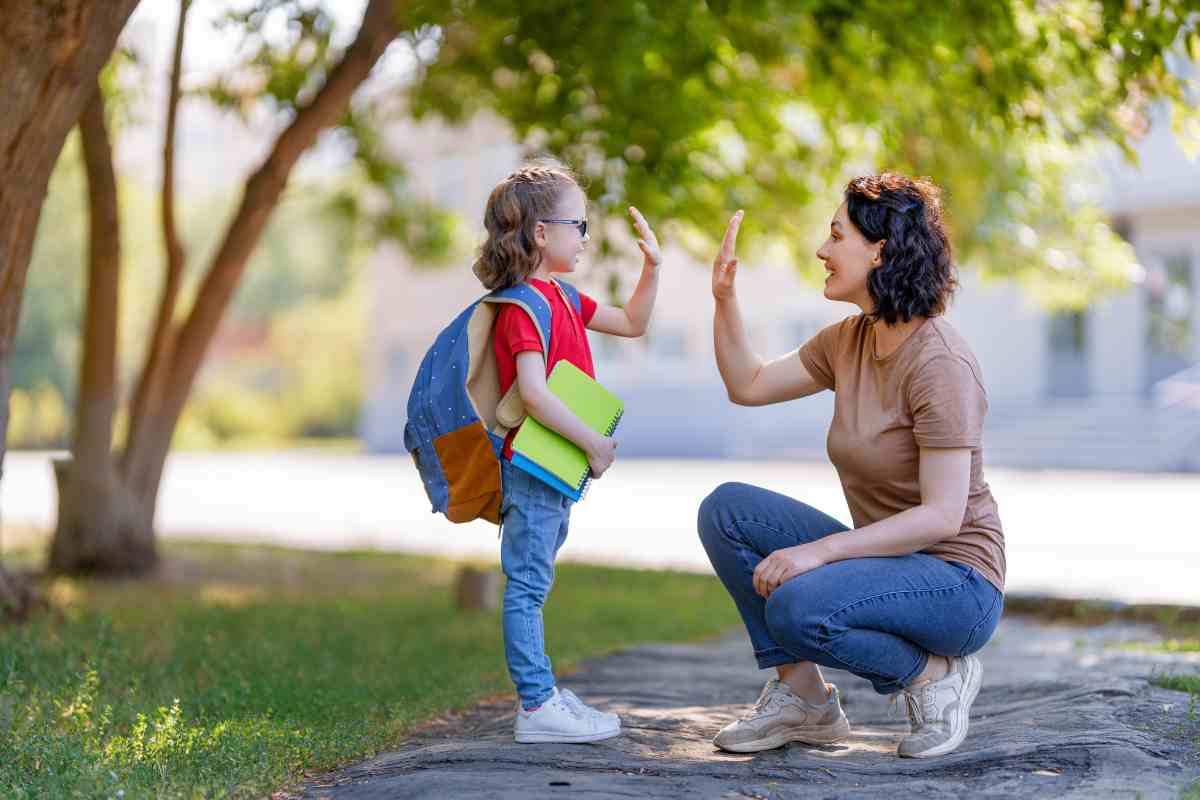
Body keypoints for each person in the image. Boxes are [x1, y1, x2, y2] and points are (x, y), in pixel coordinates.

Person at [697, 174, 1005, 759]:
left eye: (836, 235)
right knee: (727, 511)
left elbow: (941, 517)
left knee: (796, 605)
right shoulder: (850, 340)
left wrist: (819, 552)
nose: (822, 250)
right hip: (887, 561)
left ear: (879, 249)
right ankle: (805, 701)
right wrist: (723, 299)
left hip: (957, 584)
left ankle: (933, 678)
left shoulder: (940, 361)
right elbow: (749, 383)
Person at [476, 163, 663, 743]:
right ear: (539, 233)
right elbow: (532, 394)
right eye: (578, 224)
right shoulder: (521, 307)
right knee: (527, 587)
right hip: (533, 466)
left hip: (553, 466)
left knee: (537, 579)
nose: (585, 235)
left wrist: (652, 268)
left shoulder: (562, 295)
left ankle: (544, 695)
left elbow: (632, 322)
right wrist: (593, 444)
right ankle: (536, 707)